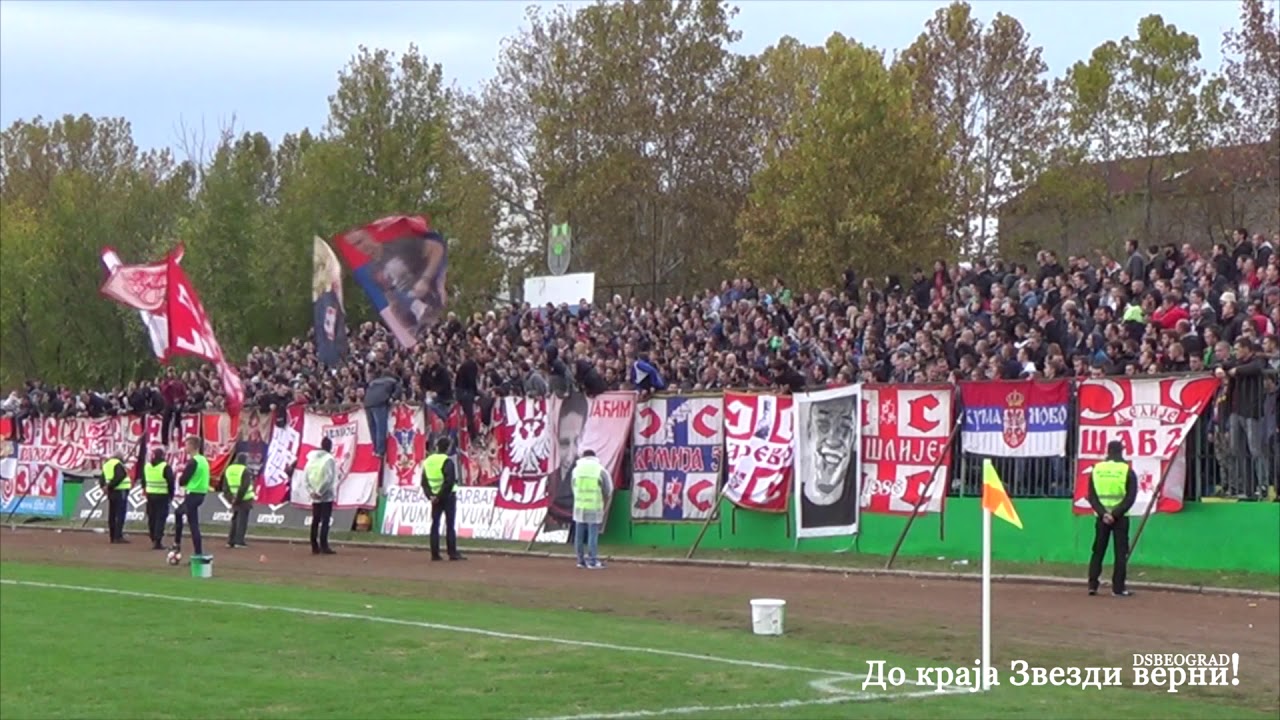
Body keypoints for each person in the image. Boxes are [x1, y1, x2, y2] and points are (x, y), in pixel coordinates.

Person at [1086, 440, 1138, 597]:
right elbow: (1130, 498)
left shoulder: (1097, 469)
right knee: (1120, 553)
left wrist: (1103, 514)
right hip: (1120, 517)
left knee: (1098, 550)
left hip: (1101, 517)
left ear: (1108, 451)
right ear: (1121, 451)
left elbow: (1092, 496)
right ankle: (1118, 588)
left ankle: (1092, 585)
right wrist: (1115, 514)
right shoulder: (1126, 470)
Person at [421, 437, 463, 561]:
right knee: (450, 525)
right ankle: (452, 552)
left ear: (437, 447)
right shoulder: (447, 461)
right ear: (448, 448)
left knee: (435, 524)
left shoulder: (428, 461)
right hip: (447, 496)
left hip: (434, 497)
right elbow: (449, 482)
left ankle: (435, 553)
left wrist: (431, 496)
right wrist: (440, 496)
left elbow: (424, 482)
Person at [570, 449, 612, 570]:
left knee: (579, 536)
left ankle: (580, 561)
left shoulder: (576, 470)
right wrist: (605, 505)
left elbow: (573, 487)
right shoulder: (600, 470)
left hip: (579, 507)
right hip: (594, 506)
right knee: (592, 535)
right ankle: (592, 561)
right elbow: (608, 490)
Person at [172, 437, 209, 559]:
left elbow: (183, 480)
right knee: (181, 514)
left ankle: (178, 545)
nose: (185, 448)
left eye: (187, 445)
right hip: (201, 493)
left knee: (192, 523)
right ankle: (180, 545)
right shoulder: (203, 460)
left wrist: (181, 479)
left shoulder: (193, 462)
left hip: (193, 493)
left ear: (192, 446)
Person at [305, 437, 337, 555]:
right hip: (325, 494)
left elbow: (306, 476)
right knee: (325, 520)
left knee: (316, 519)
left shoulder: (312, 458)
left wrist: (311, 491)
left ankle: (314, 545)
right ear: (330, 447)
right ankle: (324, 545)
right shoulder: (329, 459)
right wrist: (320, 492)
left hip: (314, 494)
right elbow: (329, 478)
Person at [141, 447, 174, 550]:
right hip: (162, 495)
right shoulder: (165, 467)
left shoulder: (147, 466)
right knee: (160, 518)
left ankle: (153, 537)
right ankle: (158, 540)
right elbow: (171, 482)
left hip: (150, 495)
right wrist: (171, 495)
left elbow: (143, 481)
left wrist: (145, 490)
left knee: (152, 517)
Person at [222, 453, 255, 549]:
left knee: (235, 519)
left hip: (232, 497)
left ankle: (231, 541)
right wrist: (238, 498)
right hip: (245, 498)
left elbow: (225, 486)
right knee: (242, 520)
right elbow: (244, 486)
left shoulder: (229, 469)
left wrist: (230, 498)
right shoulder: (245, 470)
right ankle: (239, 541)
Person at [101, 453, 129, 544]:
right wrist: (111, 486)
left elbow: (102, 478)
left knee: (112, 514)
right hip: (120, 491)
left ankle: (112, 536)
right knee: (120, 514)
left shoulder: (106, 464)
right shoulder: (118, 464)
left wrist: (104, 487)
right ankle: (118, 536)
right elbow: (121, 476)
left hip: (111, 492)